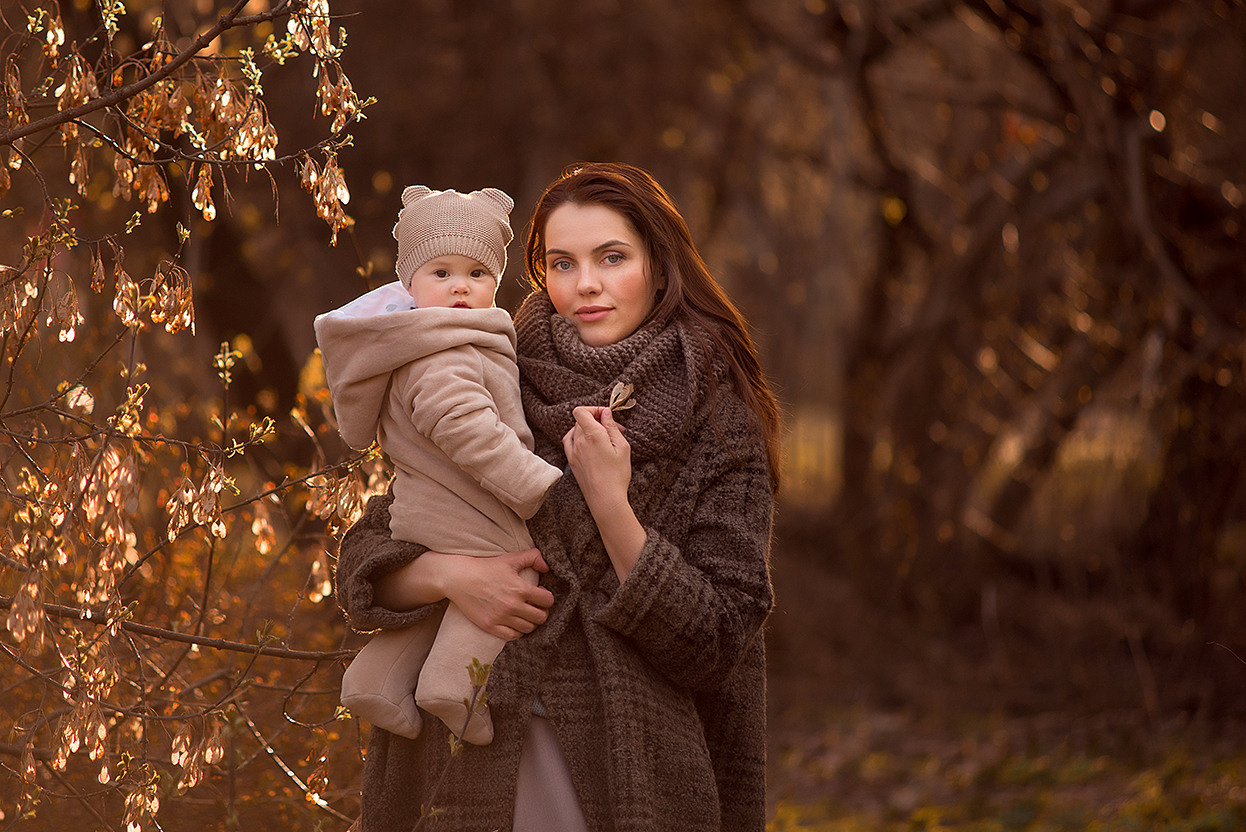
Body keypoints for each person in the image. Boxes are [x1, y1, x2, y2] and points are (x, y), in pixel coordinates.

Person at [333, 162, 782, 831]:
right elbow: (365, 560)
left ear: (660, 268)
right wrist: (450, 576)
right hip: (463, 768)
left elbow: (718, 641)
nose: (586, 284)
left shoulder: (717, 414)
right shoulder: (489, 367)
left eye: (612, 257)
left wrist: (610, 505)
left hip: (629, 774)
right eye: (562, 263)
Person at [314, 185, 562, 745]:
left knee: (443, 602)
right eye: (441, 272)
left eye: (477, 273)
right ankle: (455, 686)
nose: (460, 287)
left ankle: (376, 681)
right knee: (513, 571)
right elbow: (462, 426)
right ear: (409, 283)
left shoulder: (416, 343)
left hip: (422, 513)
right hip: (468, 508)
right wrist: (537, 484)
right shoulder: (443, 350)